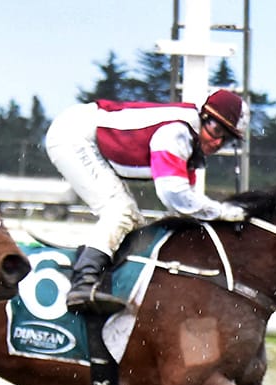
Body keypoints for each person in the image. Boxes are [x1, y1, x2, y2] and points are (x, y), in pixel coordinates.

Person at [44, 88, 250, 314]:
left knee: (134, 222)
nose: (217, 142)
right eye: (217, 129)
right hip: (73, 136)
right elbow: (175, 197)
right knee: (119, 212)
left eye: (227, 139)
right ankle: (82, 284)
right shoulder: (176, 133)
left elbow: (185, 209)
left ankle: (102, 278)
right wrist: (221, 211)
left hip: (84, 133)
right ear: (204, 117)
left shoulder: (192, 144)